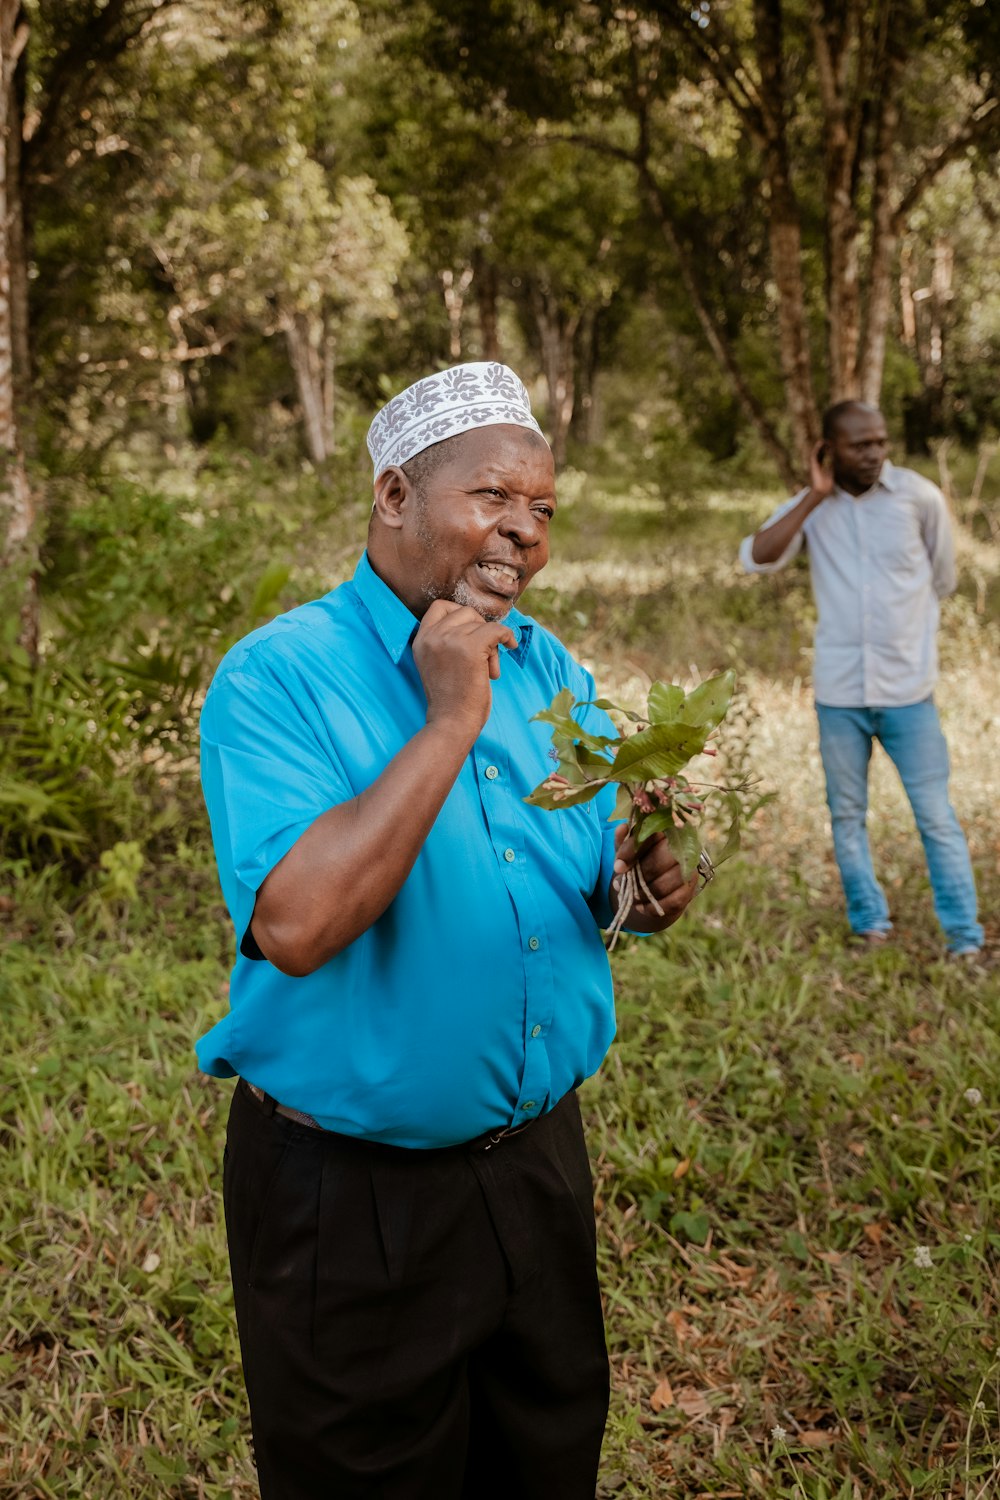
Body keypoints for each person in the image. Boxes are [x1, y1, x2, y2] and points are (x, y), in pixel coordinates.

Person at [197, 361, 699, 1500]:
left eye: (542, 509)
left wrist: (638, 896)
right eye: (491, 498)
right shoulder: (277, 677)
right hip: (351, 1198)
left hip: (535, 1170)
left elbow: (573, 889)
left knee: (543, 1457)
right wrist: (448, 718)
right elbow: (297, 924)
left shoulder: (551, 666)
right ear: (393, 497)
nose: (521, 533)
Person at [740, 399, 983, 959]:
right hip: (840, 696)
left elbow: (942, 579)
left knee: (936, 818)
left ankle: (965, 940)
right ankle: (870, 925)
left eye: (881, 441)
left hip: (908, 695)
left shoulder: (920, 498)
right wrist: (816, 494)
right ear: (828, 449)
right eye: (860, 444)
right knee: (847, 815)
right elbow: (756, 556)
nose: (875, 453)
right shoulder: (812, 508)